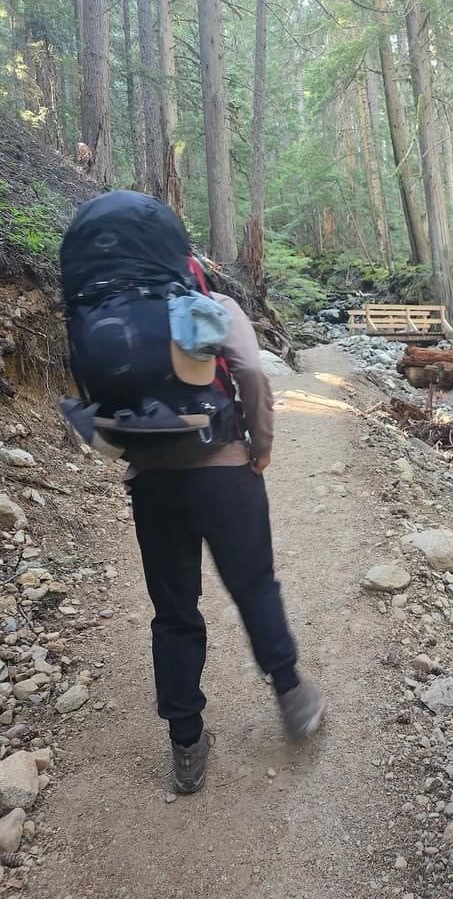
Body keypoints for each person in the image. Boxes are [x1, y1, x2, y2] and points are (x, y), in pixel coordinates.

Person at [60, 192, 325, 795]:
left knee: (174, 613)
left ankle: (186, 745)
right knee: (254, 585)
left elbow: (96, 399)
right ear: (181, 257)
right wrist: (261, 444)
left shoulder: (95, 314)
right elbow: (253, 373)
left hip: (153, 483)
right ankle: (292, 694)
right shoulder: (203, 303)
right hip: (224, 470)